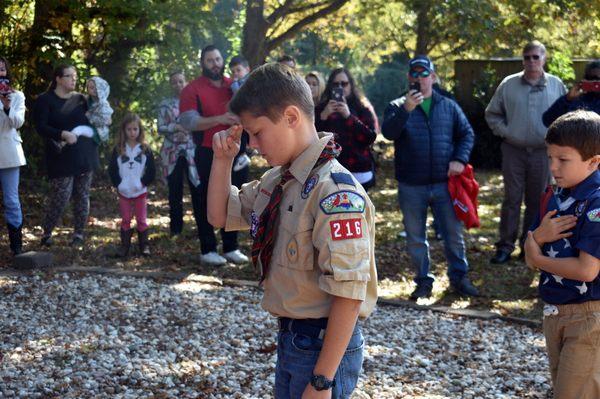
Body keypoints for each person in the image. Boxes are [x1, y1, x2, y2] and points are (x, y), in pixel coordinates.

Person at [207, 62, 377, 399]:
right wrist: (222, 161)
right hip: (293, 338)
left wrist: (322, 381)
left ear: (290, 117)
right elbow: (220, 216)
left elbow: (348, 293)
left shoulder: (335, 193)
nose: (252, 144)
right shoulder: (279, 180)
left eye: (257, 132)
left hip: (321, 346)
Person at [382, 55, 478, 299]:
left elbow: (467, 133)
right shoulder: (396, 106)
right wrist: (406, 110)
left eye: (424, 74)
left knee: (453, 236)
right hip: (411, 185)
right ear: (409, 78)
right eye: (415, 74)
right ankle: (423, 282)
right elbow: (389, 133)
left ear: (433, 77)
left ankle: (459, 278)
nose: (419, 78)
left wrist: (459, 159)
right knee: (416, 238)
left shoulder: (448, 105)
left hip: (444, 184)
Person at [524, 110, 600, 399]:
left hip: (588, 316)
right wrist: (539, 239)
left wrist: (539, 256)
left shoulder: (596, 202)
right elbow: (529, 252)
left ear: (594, 161)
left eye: (563, 160)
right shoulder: (556, 196)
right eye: (550, 158)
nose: (554, 167)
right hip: (556, 313)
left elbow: (587, 270)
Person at [485, 40, 566, 264]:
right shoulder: (509, 84)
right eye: (527, 57)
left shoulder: (556, 85)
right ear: (522, 60)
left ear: (544, 58)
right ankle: (504, 246)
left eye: (535, 57)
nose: (531, 61)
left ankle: (528, 246)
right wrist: (506, 131)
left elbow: (566, 117)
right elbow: (492, 114)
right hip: (514, 150)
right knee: (511, 199)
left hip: (543, 153)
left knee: (537, 200)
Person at [179, 45, 249, 266]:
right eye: (210, 60)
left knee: (235, 197)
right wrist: (220, 119)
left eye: (218, 59)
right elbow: (188, 121)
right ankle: (208, 248)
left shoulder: (235, 84)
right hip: (206, 151)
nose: (215, 64)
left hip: (236, 150)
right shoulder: (192, 89)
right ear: (202, 63)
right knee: (203, 200)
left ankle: (231, 247)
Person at [33, 63, 99, 247]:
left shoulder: (81, 99)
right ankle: (47, 233)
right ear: (58, 79)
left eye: (75, 76)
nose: (74, 79)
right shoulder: (45, 100)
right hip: (60, 155)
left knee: (82, 195)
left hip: (85, 153)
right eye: (69, 76)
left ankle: (78, 234)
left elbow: (96, 118)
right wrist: (62, 134)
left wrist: (104, 119)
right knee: (61, 196)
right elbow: (41, 126)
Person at [315, 68, 378, 190]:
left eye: (344, 83)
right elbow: (311, 138)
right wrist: (323, 116)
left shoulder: (361, 108)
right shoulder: (321, 109)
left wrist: (349, 117)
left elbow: (370, 137)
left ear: (351, 85)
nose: (340, 87)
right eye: (336, 84)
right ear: (330, 86)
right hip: (328, 173)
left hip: (359, 173)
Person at [157, 71, 200, 237]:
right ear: (170, 84)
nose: (178, 85)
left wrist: (187, 132)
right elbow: (161, 127)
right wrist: (175, 128)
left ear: (186, 82)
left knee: (197, 190)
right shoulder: (165, 104)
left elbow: (200, 125)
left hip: (192, 152)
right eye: (174, 82)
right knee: (174, 192)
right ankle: (176, 229)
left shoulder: (195, 102)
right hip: (171, 154)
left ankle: (201, 227)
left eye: (181, 81)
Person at [108, 113, 155, 257]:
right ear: (123, 130)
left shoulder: (145, 149)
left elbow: (152, 170)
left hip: (140, 190)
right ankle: (124, 247)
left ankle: (144, 246)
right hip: (124, 191)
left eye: (135, 129)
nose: (132, 132)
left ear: (140, 130)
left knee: (141, 219)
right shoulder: (118, 149)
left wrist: (143, 183)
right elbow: (112, 169)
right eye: (129, 129)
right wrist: (119, 184)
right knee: (126, 219)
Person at [0, 57, 26, 255]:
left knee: (11, 199)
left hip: (9, 152)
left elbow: (17, 123)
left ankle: (16, 246)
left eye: (1, 69)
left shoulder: (17, 96)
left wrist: (7, 106)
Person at [543, 60, 600, 126]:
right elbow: (547, 120)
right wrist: (567, 99)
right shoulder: (576, 100)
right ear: (586, 79)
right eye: (594, 78)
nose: (598, 82)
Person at [85, 76, 113, 144]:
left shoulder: (103, 103)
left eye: (97, 87)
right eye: (91, 88)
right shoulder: (86, 100)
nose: (95, 90)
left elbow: (106, 120)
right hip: (88, 129)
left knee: (78, 130)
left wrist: (90, 117)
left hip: (98, 132)